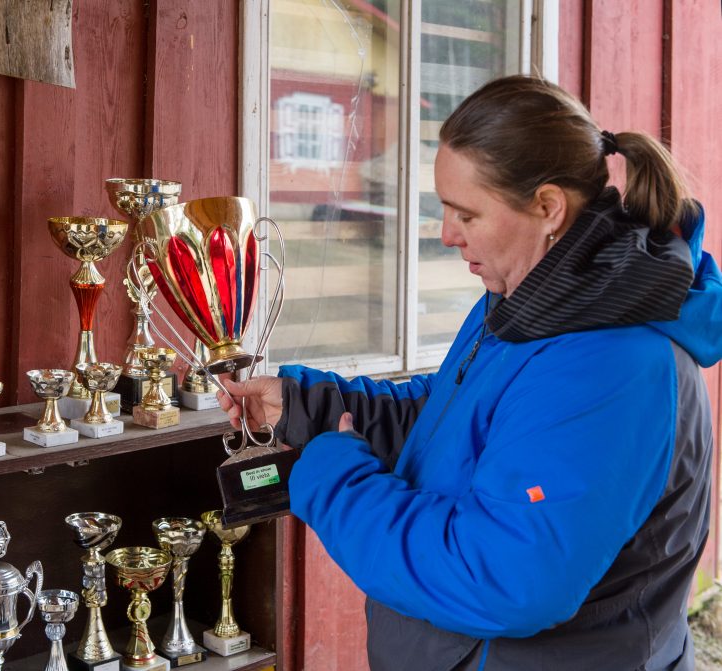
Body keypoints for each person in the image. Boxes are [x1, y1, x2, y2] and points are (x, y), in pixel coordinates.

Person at [218, 75, 722, 670]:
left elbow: (502, 578)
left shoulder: (612, 364)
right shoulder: (536, 301)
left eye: (467, 213)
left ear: (548, 208)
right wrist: (308, 408)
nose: (446, 234)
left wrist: (334, 480)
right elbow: (457, 420)